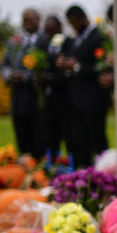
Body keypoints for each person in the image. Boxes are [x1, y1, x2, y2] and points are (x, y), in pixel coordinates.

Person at [57, 5, 109, 167]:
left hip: (94, 98)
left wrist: (77, 67)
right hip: (76, 99)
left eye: (74, 22)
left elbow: (102, 67)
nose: (73, 26)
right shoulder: (72, 41)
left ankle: (104, 170)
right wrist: (64, 65)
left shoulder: (98, 37)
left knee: (97, 137)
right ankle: (84, 170)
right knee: (80, 138)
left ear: (83, 19)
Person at [0, 8, 45, 157]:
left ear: (38, 20)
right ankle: (23, 164)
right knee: (20, 132)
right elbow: (4, 65)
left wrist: (25, 76)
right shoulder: (14, 41)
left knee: (37, 134)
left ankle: (39, 165)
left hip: (36, 95)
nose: (27, 24)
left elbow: (46, 66)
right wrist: (10, 75)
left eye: (31, 20)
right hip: (18, 97)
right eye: (24, 21)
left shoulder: (44, 40)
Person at [39, 15, 72, 159]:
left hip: (64, 99)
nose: (48, 34)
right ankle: (52, 163)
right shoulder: (45, 44)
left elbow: (68, 73)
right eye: (46, 31)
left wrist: (52, 78)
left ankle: (71, 164)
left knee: (68, 133)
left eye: (51, 31)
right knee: (49, 134)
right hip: (48, 100)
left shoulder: (68, 43)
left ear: (59, 28)